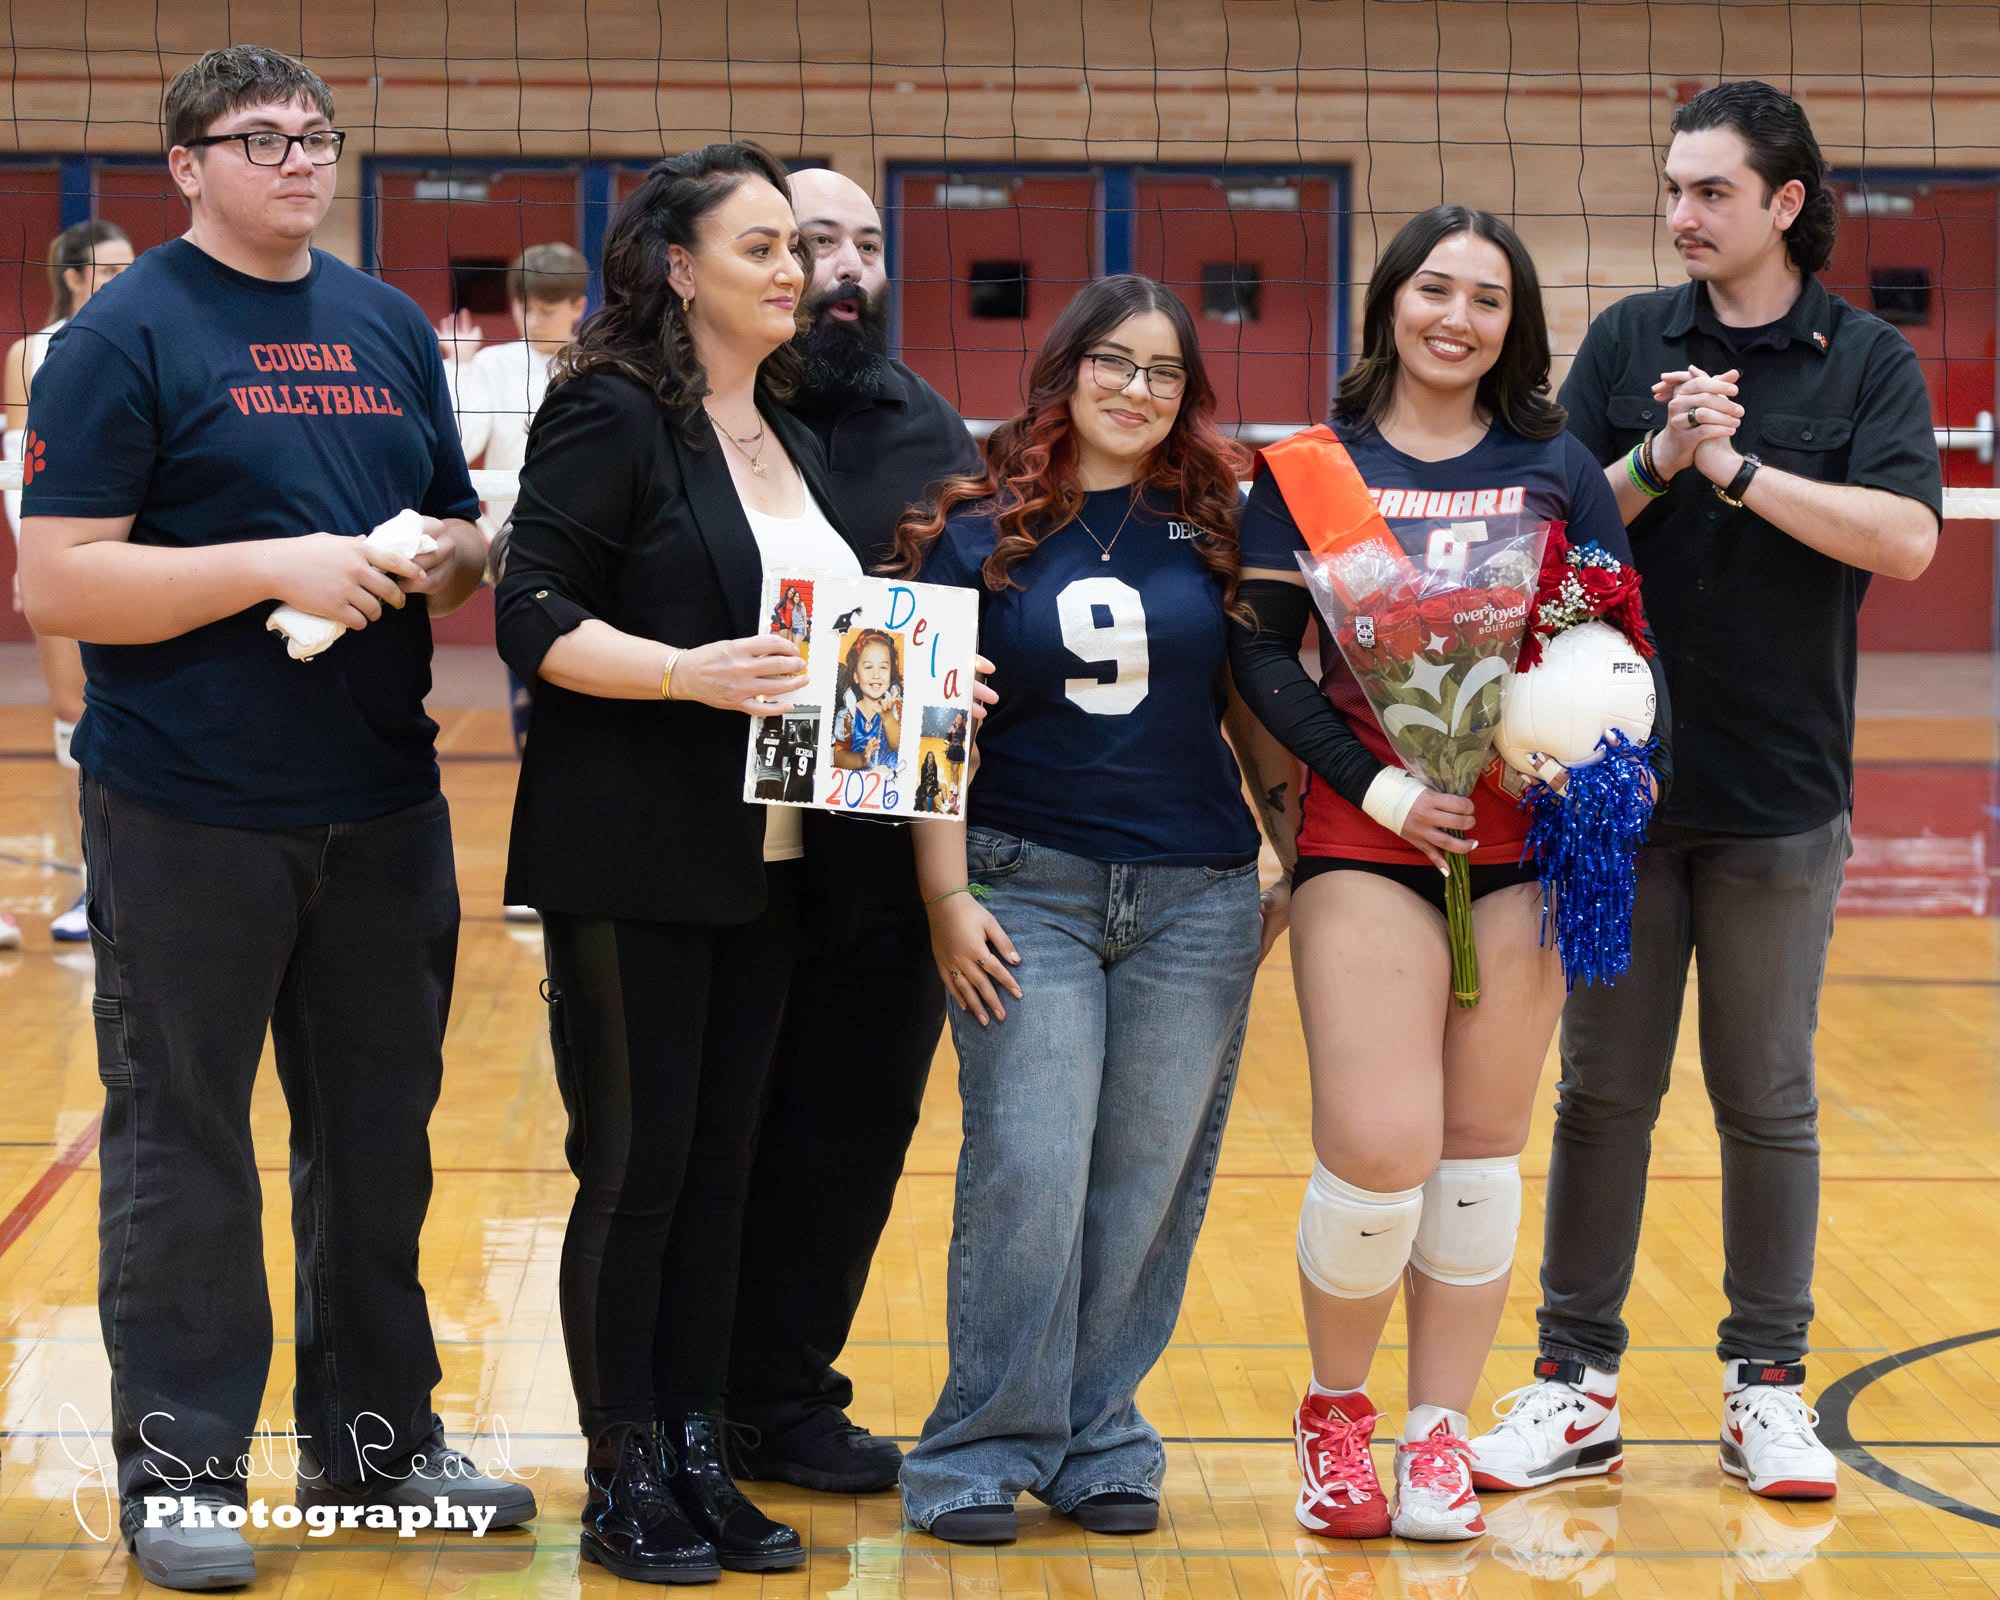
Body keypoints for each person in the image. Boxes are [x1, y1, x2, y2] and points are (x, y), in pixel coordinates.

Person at [15, 44, 529, 1591]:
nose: (302, 161)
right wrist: (272, 566)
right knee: (186, 1144)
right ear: (186, 165)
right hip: (189, 805)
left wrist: (451, 553)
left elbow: (455, 536)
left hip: (380, 798)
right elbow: (60, 580)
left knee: (377, 1146)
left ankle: (377, 1451)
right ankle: (181, 1475)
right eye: (262, 139)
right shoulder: (121, 336)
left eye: (317, 137)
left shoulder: (383, 324)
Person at [1469, 81, 1940, 1503]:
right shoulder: (1628, 340)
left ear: (1784, 204)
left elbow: (1904, 539)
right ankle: (1573, 1386)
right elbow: (1555, 529)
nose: (1680, 213)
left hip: (1780, 788)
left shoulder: (1865, 359)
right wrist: (1658, 459)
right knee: (1601, 1092)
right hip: (1613, 794)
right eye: (1672, 188)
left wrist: (1736, 469)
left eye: (1710, 191)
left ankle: (1765, 1389)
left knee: (1766, 1096)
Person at [1228, 205, 1673, 1544]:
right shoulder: (1313, 467)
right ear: (1389, 304)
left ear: (1512, 327)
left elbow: (1616, 641)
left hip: (1526, 851)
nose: (1457, 317)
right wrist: (1373, 785)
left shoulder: (1555, 466)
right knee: (1378, 1149)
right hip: (1367, 839)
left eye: (1488, 299)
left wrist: (1606, 768)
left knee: (1477, 1160)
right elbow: (1257, 654)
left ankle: (1435, 1432)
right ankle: (1335, 1417)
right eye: (1434, 289)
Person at [495, 142, 863, 1583]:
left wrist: (917, 696)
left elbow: (819, 648)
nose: (795, 270)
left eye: (797, 249)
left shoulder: (787, 428)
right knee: (636, 1171)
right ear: (677, 265)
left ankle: (700, 1452)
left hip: (769, 858)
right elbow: (533, 612)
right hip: (633, 848)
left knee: (722, 1175)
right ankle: (623, 1471)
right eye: (762, 246)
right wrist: (680, 671)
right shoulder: (610, 408)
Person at [890, 273, 1286, 1544]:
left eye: (1164, 371)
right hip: (1026, 888)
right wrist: (945, 894)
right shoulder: (972, 529)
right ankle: (974, 1449)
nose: (1136, 388)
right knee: (1031, 1169)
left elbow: (1250, 706)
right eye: (1113, 361)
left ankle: (1098, 1432)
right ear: (1064, 371)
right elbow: (925, 729)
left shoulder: (1214, 526)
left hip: (1195, 896)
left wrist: (1295, 860)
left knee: (1144, 1181)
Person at [725, 165, 984, 1496]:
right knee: (707, 1132)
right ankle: (674, 1405)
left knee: (846, 1134)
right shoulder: (700, 409)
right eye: (810, 240)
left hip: (876, 848)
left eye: (866, 245)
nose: (842, 268)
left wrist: (973, 672)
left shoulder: (923, 423)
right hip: (713, 840)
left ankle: (783, 1397)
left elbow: (963, 605)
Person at [2, 219, 135, 946]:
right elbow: (20, 470)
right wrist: (37, 561)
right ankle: (95, 883)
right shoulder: (35, 352)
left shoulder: (149, 336)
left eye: (130, 267)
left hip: (145, 557)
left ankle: (146, 880)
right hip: (69, 557)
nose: (124, 280)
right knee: (73, 714)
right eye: (110, 271)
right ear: (74, 276)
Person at [831, 628, 902, 770]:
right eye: (868, 667)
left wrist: (888, 718)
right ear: (856, 676)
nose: (876, 675)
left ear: (891, 673)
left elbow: (897, 744)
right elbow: (838, 756)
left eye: (883, 667)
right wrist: (862, 759)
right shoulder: (847, 716)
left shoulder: (895, 708)